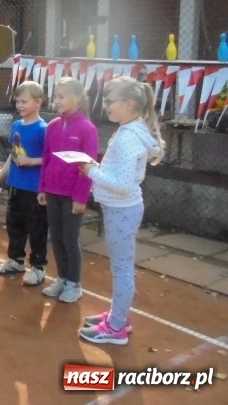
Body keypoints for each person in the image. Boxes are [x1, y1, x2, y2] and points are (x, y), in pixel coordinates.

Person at [78, 77, 164, 345]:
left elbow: (123, 185)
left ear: (130, 104)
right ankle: (118, 316)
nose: (105, 107)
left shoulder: (128, 137)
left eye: (110, 101)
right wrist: (97, 166)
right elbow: (119, 173)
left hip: (122, 209)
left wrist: (91, 171)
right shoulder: (130, 129)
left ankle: (116, 327)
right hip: (121, 208)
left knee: (122, 269)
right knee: (121, 267)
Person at [37, 77, 99, 303]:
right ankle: (62, 278)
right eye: (56, 97)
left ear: (78, 98)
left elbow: (89, 166)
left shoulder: (87, 129)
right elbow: (46, 158)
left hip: (72, 196)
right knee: (56, 237)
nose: (57, 101)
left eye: (62, 97)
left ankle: (74, 284)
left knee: (70, 240)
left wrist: (81, 198)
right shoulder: (52, 126)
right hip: (52, 192)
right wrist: (42, 187)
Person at [0, 81, 49, 286]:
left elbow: (50, 159)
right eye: (17, 101)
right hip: (15, 184)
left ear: (38, 102)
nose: (19, 105)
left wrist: (32, 161)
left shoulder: (44, 129)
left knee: (37, 228)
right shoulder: (16, 125)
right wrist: (0, 176)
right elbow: (13, 155)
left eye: (24, 101)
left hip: (34, 188)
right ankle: (16, 259)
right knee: (14, 224)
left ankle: (38, 267)